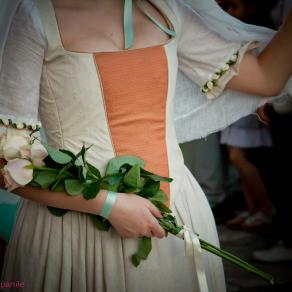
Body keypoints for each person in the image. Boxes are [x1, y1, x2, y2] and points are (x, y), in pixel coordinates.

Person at [0, 0, 291, 291]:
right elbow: (7, 160)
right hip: (75, 233)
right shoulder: (36, 16)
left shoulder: (165, 10)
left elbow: (266, 79)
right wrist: (107, 203)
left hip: (178, 213)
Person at [219, 0, 278, 230]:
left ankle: (266, 207)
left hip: (248, 104)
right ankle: (251, 208)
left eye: (234, 6)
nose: (229, 12)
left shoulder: (258, 37)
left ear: (252, 7)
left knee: (240, 158)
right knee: (236, 158)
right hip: (235, 103)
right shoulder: (235, 32)